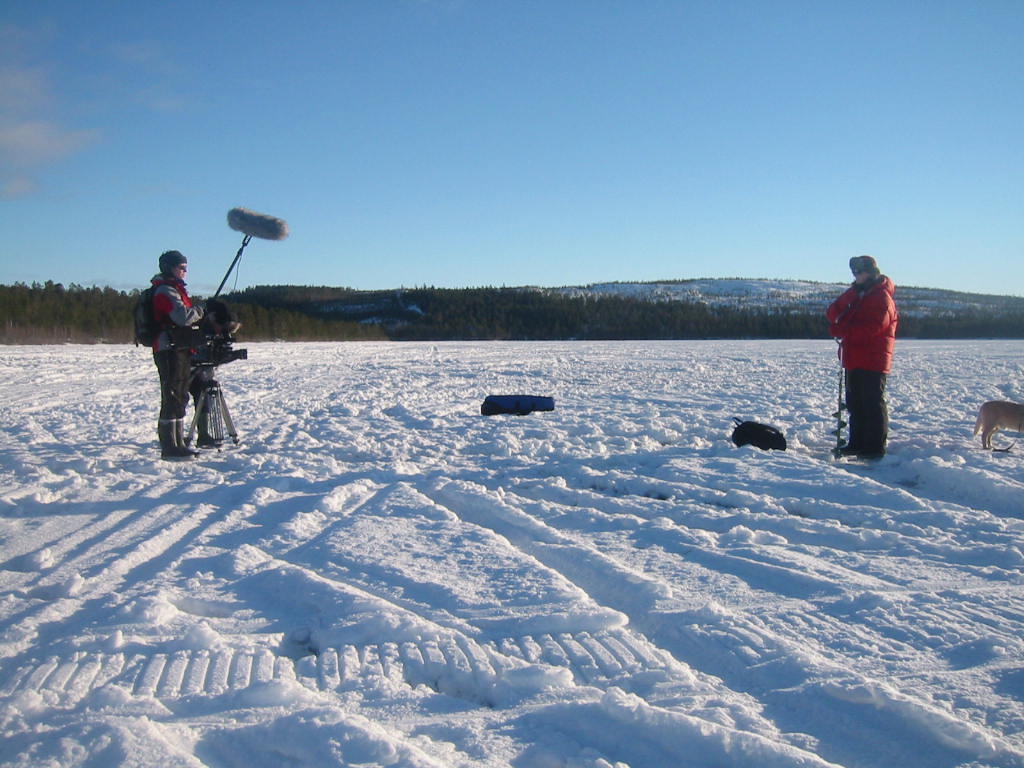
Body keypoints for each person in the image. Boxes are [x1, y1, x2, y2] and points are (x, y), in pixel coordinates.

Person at [826, 255, 899, 458]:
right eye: (854, 273)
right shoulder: (859, 296)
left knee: (872, 402)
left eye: (860, 272)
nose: (856, 276)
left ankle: (875, 447)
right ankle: (856, 443)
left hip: (873, 358)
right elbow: (832, 312)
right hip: (854, 356)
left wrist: (842, 329)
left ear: (871, 272)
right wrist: (850, 294)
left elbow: (872, 329)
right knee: (855, 403)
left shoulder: (882, 298)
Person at [151, 250, 205, 459]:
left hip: (179, 349)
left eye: (185, 268)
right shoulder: (165, 291)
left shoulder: (174, 289)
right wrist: (201, 310)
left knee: (179, 396)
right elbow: (183, 317)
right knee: (172, 396)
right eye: (181, 267)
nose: (185, 272)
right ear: (169, 268)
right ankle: (170, 446)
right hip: (168, 350)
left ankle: (177, 442)